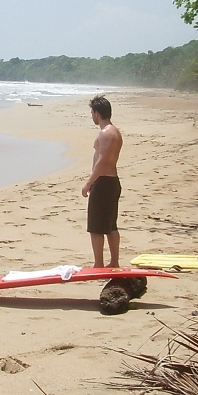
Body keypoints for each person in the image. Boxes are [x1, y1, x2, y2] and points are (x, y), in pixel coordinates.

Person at [81, 95, 123, 268]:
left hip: (103, 182)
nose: (92, 116)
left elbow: (102, 160)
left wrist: (89, 182)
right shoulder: (115, 132)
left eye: (92, 112)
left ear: (97, 114)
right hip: (112, 182)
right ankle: (114, 261)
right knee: (111, 225)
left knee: (96, 227)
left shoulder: (105, 133)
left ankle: (98, 264)